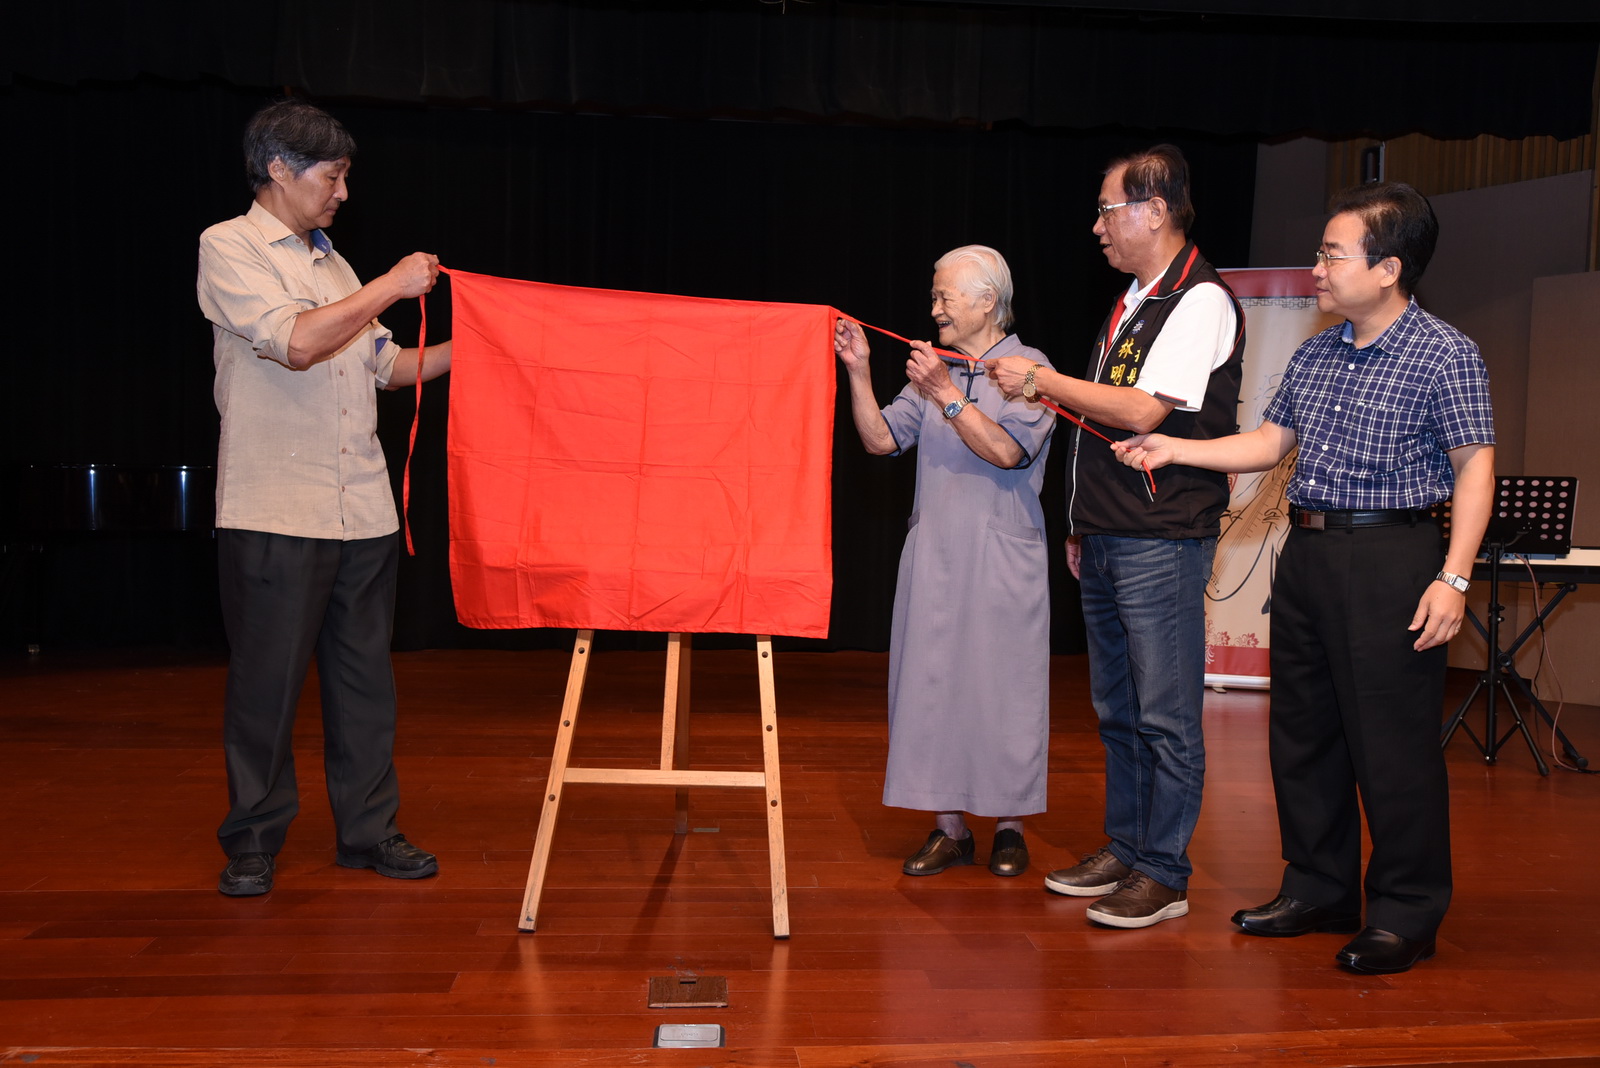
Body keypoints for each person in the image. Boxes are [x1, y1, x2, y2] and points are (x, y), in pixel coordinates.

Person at [1114, 181, 1495, 974]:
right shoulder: (1318, 350)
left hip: (1395, 560)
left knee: (1392, 748)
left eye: (1332, 253)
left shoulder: (1445, 352)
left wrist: (1454, 579)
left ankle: (1405, 911)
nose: (1316, 268)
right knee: (1304, 737)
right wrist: (1175, 448)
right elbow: (1268, 442)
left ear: (1388, 267)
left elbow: (1474, 469)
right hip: (1310, 553)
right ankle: (1319, 887)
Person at [197, 99, 453, 897]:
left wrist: (480, 348)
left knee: (364, 684)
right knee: (267, 687)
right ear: (279, 168)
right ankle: (254, 837)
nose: (342, 191)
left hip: (362, 512)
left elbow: (388, 365)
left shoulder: (336, 266)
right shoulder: (228, 247)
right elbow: (298, 342)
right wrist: (390, 283)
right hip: (276, 508)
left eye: (345, 177)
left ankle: (370, 832)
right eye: (332, 175)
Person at [987, 144, 1243, 929]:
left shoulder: (1199, 300)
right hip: (1109, 533)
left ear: (1154, 210)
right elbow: (1092, 430)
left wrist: (1040, 379)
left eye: (1107, 209)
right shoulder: (1132, 299)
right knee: (1118, 709)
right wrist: (1080, 523)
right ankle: (1128, 847)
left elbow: (1139, 413)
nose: (1096, 226)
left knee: (1165, 712)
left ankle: (1165, 872)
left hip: (1160, 536)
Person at [835, 245, 1055, 878]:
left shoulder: (1028, 367)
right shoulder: (934, 369)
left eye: (944, 298)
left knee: (1003, 689)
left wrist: (948, 398)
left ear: (987, 300)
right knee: (932, 685)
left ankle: (1009, 827)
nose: (933, 309)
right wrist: (859, 370)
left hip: (1000, 550)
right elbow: (880, 440)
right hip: (934, 552)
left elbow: (1009, 452)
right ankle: (949, 829)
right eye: (933, 298)